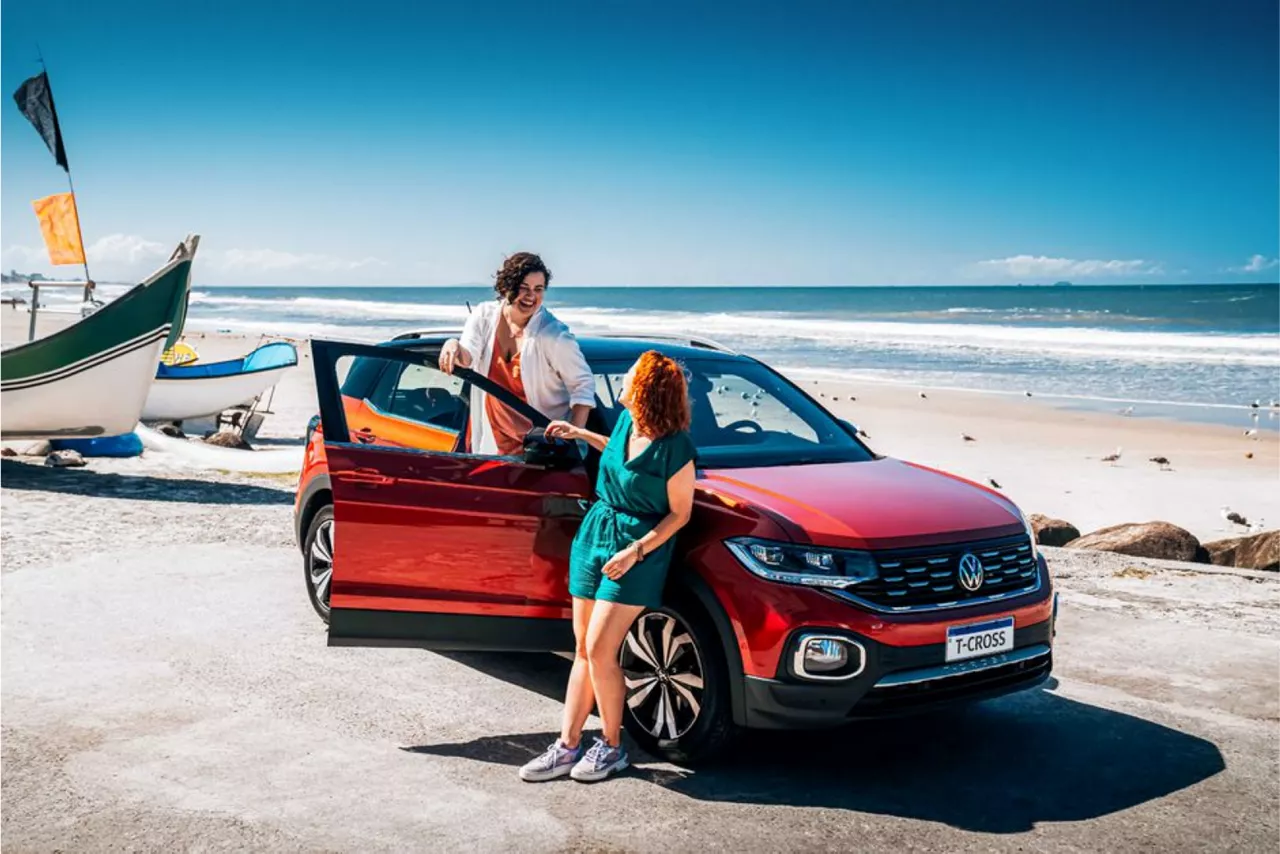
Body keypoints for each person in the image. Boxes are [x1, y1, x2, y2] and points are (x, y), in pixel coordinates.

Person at [519, 351, 697, 783]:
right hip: (596, 533)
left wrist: (635, 551)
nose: (621, 380)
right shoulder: (624, 424)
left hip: (636, 551)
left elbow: (680, 514)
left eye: (630, 376)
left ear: (645, 389)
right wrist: (580, 433)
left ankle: (613, 747)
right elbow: (616, 453)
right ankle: (566, 745)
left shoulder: (676, 447)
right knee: (582, 650)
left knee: (601, 650)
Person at [439, 252, 594, 454]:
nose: (531, 296)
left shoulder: (553, 336)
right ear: (506, 288)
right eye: (524, 288)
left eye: (538, 289)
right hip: (492, 444)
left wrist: (573, 443)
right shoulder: (484, 316)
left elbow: (583, 385)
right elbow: (467, 359)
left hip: (540, 450)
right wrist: (452, 344)